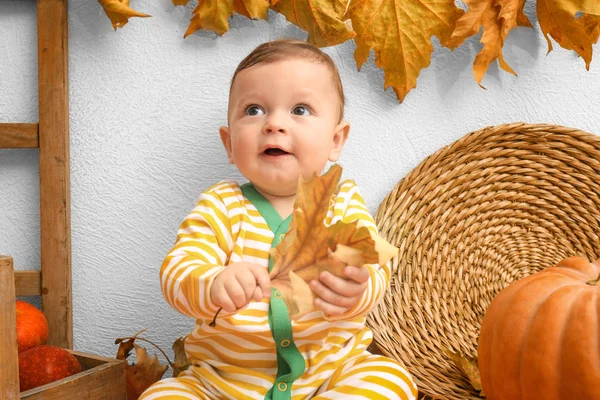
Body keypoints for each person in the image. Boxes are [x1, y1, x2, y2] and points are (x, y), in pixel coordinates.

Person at [140, 39, 417, 400]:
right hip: (224, 382)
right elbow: (176, 272)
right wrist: (212, 284)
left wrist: (358, 288)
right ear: (228, 143)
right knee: (162, 396)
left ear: (336, 140)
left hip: (328, 374)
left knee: (390, 379)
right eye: (254, 110)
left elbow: (375, 270)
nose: (274, 124)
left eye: (300, 110)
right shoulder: (221, 205)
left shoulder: (342, 201)